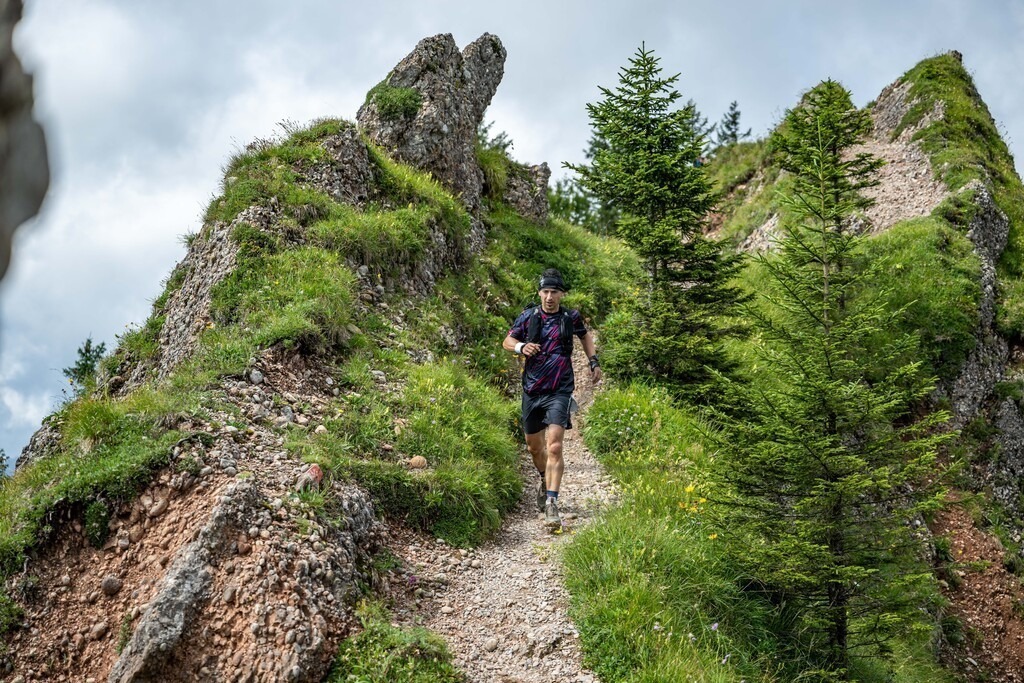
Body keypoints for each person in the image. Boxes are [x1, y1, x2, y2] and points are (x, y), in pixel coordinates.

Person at [502, 268, 602, 527]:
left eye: (554, 292)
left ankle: (551, 503)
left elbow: (585, 336)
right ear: (540, 293)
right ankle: (544, 477)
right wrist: (522, 347)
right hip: (532, 390)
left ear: (561, 294)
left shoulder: (570, 317)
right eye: (545, 292)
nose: (549, 297)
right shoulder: (528, 317)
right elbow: (507, 341)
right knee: (534, 447)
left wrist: (593, 361)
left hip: (560, 390)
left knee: (555, 446)